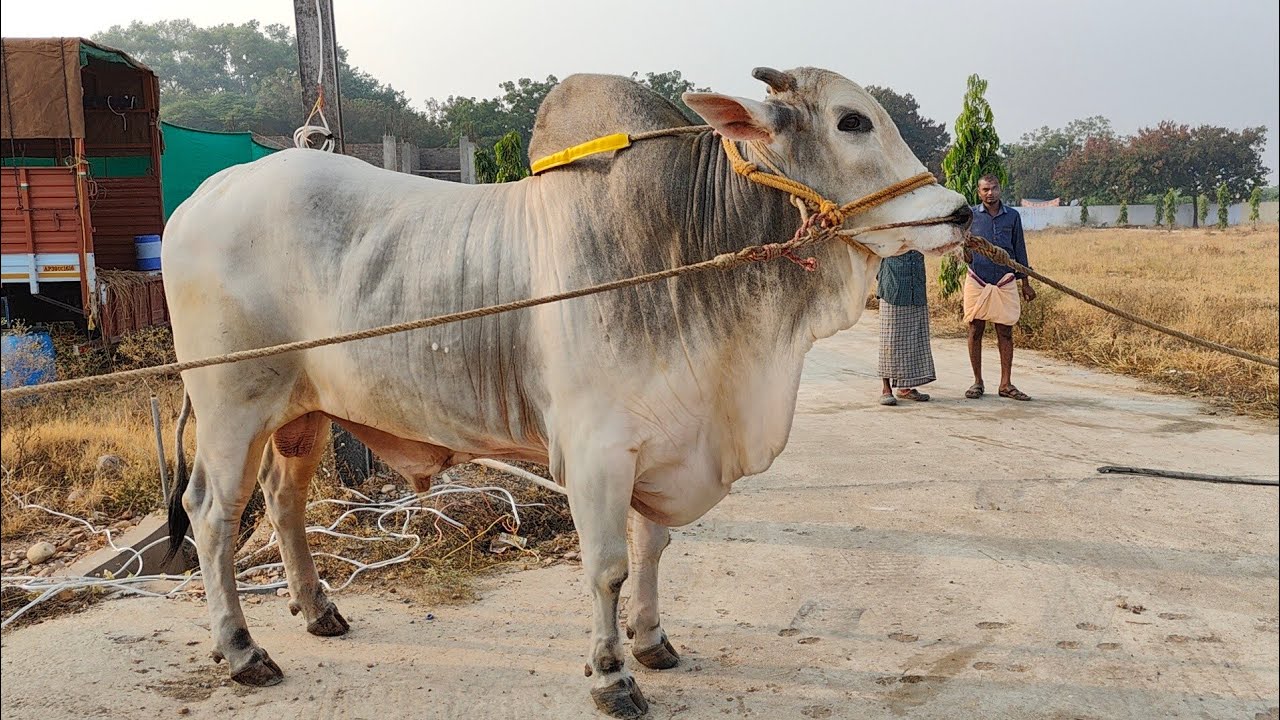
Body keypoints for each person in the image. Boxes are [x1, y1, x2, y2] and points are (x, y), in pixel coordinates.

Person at [963, 174, 1035, 401]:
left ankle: (1006, 383)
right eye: (985, 189)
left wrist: (1025, 282)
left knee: (1005, 331)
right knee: (975, 329)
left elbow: (1019, 250)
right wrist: (963, 251)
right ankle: (977, 382)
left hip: (1005, 279)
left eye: (993, 188)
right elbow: (961, 247)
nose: (990, 193)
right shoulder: (971, 216)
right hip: (977, 278)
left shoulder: (1012, 216)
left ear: (1000, 189)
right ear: (978, 192)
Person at [875, 249, 935, 406]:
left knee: (913, 337)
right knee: (890, 338)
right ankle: (886, 388)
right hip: (893, 283)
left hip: (915, 281)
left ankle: (905, 388)